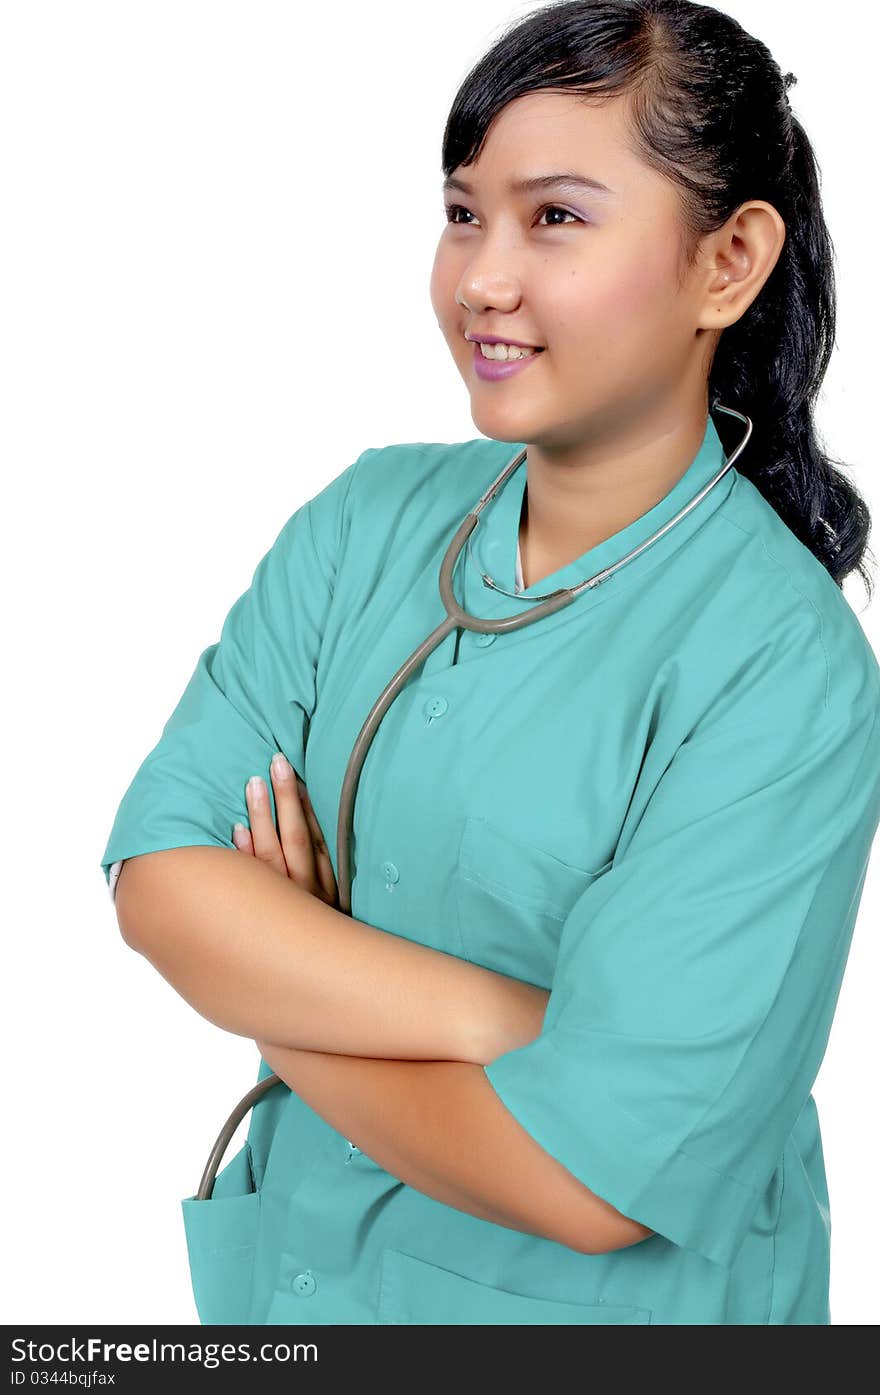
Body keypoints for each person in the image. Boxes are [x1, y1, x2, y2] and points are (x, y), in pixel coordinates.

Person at [101, 0, 880, 1325]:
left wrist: (291, 1004)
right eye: (465, 213)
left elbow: (590, 1175)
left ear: (729, 262)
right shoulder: (365, 523)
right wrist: (518, 1024)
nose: (482, 279)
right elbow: (161, 881)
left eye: (556, 218)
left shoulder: (783, 668)